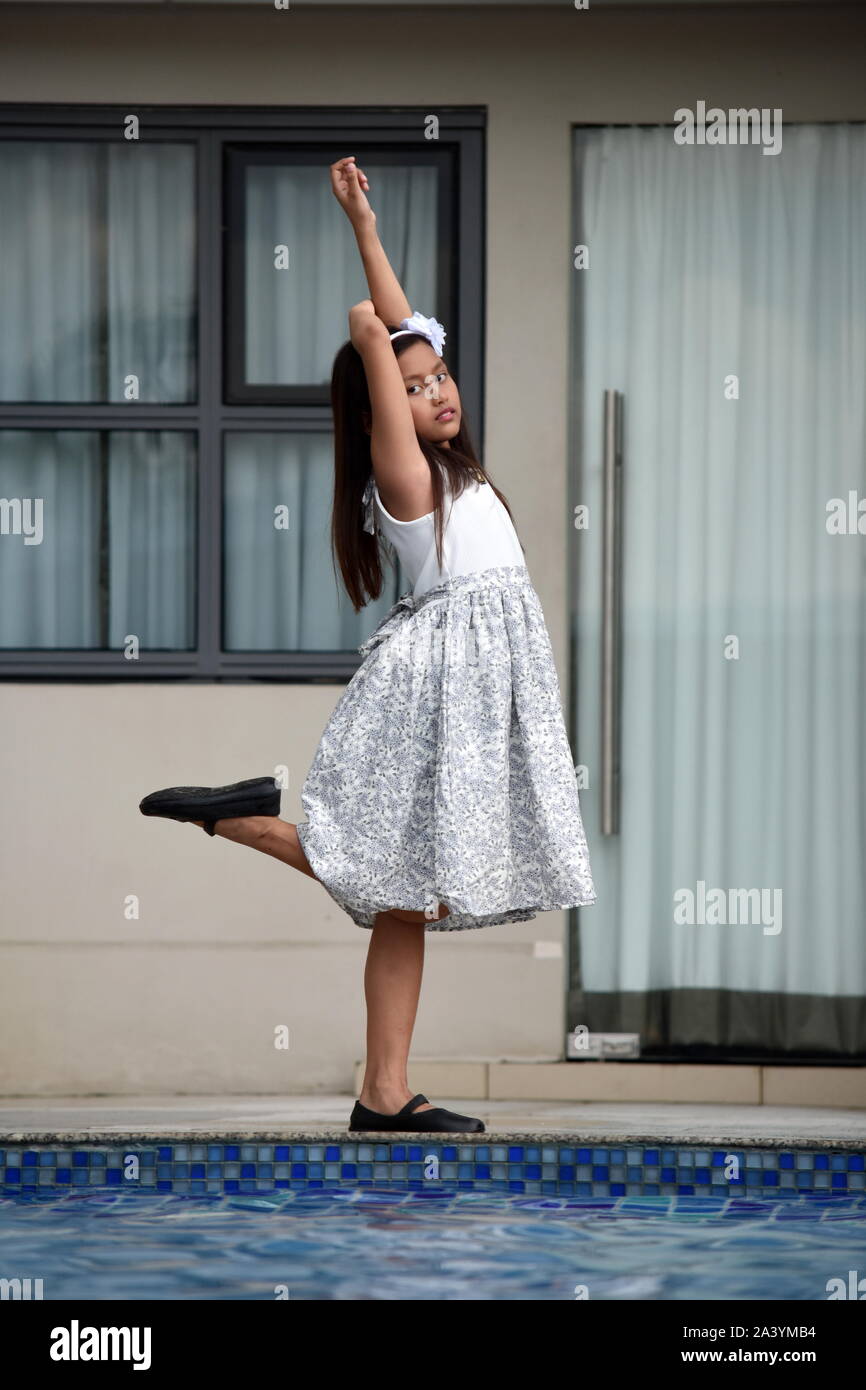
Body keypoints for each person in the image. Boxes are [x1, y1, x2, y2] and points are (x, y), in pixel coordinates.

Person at [140, 156, 596, 1134]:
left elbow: (403, 324)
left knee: (406, 897)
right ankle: (247, 826)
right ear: (385, 404)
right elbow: (381, 338)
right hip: (439, 685)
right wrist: (367, 333)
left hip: (476, 679)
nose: (438, 392)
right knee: (401, 882)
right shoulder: (403, 479)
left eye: (442, 378)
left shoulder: (458, 467)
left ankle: (381, 1089)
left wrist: (364, 227)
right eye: (416, 384)